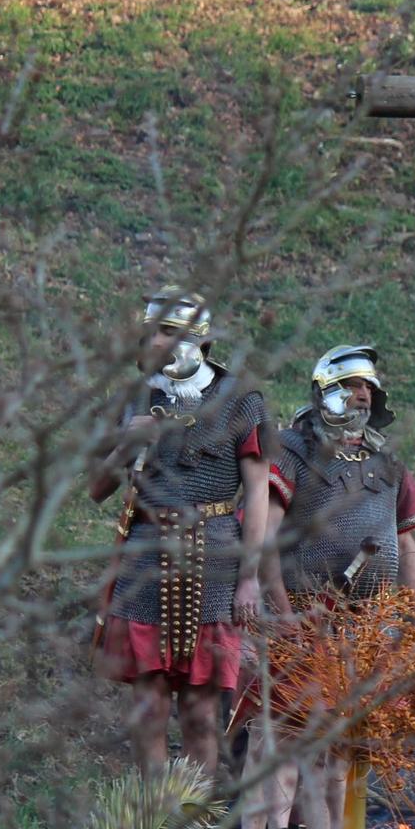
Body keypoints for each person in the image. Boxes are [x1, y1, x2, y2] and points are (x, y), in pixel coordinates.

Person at [241, 344, 415, 829]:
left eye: (368, 388)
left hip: (367, 623)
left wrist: (413, 616)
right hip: (305, 609)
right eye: (350, 386)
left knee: (342, 737)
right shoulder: (291, 450)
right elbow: (266, 537)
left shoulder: (387, 460)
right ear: (324, 391)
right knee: (285, 727)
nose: (361, 396)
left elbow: (408, 542)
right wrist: (281, 609)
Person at [91, 289, 271, 780]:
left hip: (213, 560)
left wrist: (249, 577)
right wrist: (128, 445)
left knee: (199, 713)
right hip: (145, 557)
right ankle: (152, 827)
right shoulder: (131, 399)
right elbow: (96, 487)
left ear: (196, 338)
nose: (153, 341)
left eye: (166, 332)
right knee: (147, 711)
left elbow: (257, 493)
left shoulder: (240, 400)